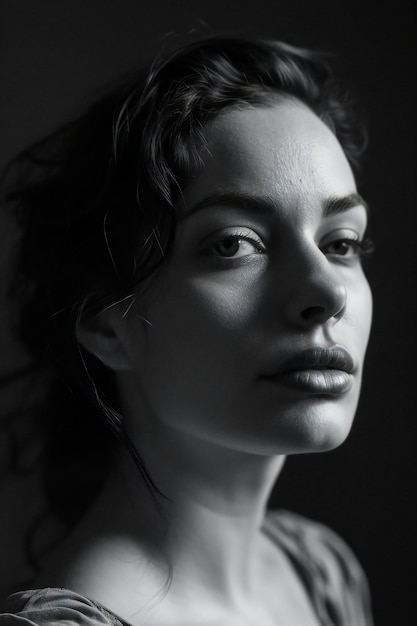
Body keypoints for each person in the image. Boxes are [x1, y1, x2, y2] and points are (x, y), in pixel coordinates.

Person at [0, 35, 374, 625]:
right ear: (107, 323)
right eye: (234, 244)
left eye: (341, 243)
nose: (327, 293)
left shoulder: (321, 573)